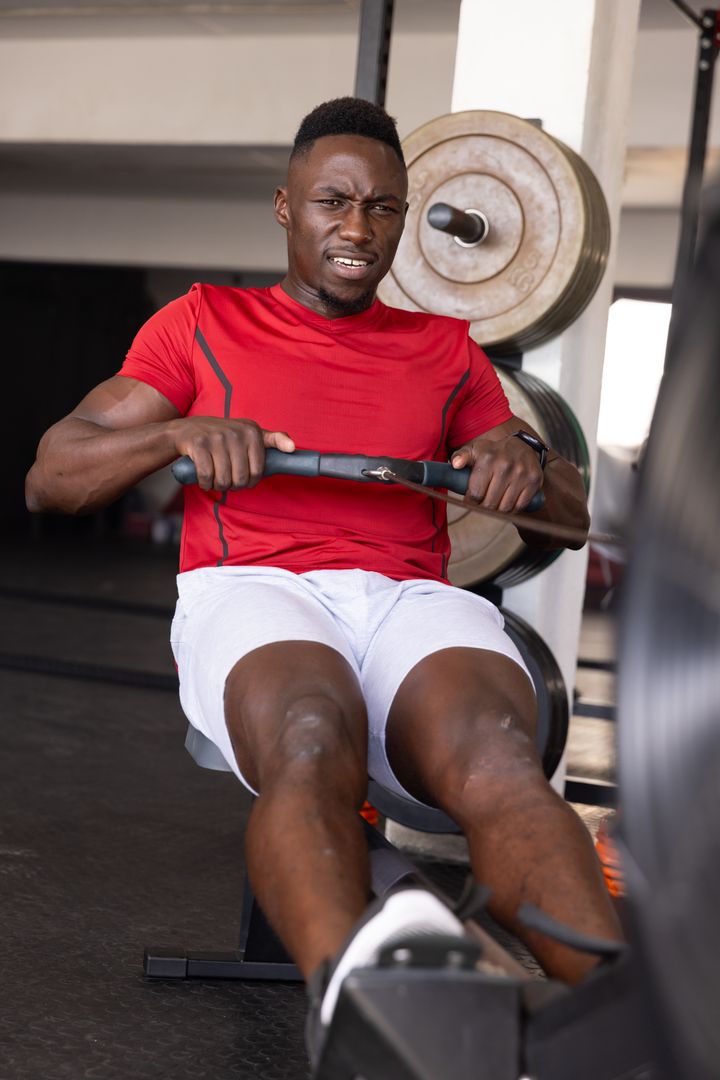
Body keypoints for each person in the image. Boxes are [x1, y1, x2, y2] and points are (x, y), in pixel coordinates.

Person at [26, 97, 620, 1065]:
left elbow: (567, 515)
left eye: (382, 207)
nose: (357, 228)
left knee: (501, 759)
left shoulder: (445, 348)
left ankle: (622, 1020)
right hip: (253, 584)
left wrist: (524, 460)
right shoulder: (203, 322)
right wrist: (179, 434)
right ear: (285, 207)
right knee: (310, 734)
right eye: (332, 202)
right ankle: (358, 1005)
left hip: (405, 597)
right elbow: (52, 474)